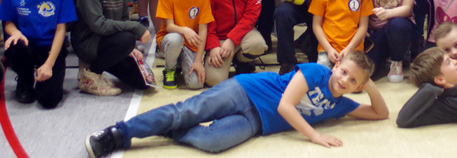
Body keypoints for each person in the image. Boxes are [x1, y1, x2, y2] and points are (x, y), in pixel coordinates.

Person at [85, 51, 388, 156]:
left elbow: (380, 113)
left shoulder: (342, 104)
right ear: (336, 66)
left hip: (257, 122)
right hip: (246, 90)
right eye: (344, 72)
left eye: (353, 81)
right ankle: (119, 133)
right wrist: (314, 135)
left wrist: (369, 82)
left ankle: (168, 128)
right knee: (187, 111)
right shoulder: (317, 72)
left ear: (358, 87)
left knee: (213, 142)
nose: (344, 81)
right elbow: (285, 106)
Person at [0, 0, 76, 108]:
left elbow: (61, 29)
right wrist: (16, 33)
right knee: (15, 47)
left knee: (49, 100)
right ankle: (25, 79)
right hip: (27, 45)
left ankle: (45, 73)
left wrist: (49, 64)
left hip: (51, 47)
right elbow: (8, 22)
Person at [156, 0, 213, 89]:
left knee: (196, 84)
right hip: (171, 38)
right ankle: (170, 69)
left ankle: (180, 63)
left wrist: (198, 61)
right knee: (176, 39)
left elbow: (203, 30)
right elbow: (169, 27)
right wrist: (185, 30)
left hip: (191, 44)